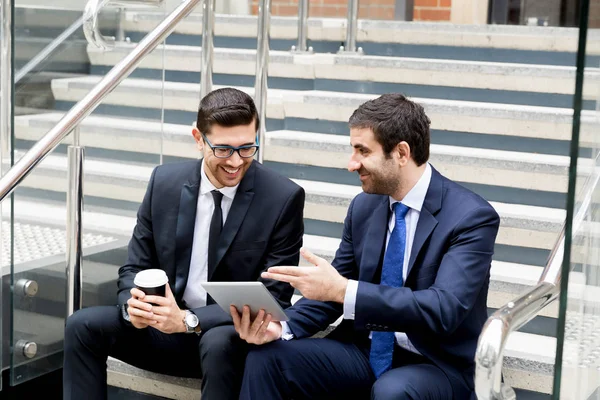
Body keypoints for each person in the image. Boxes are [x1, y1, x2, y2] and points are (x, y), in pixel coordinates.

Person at [231, 93, 500, 400]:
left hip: (437, 362)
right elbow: (332, 292)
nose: (351, 164)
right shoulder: (364, 207)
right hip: (365, 350)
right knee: (267, 359)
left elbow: (443, 309)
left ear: (401, 152)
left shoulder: (470, 216)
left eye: (362, 151)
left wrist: (344, 291)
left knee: (393, 391)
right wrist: (281, 329)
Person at [63, 87, 305, 400]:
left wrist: (190, 321)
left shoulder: (283, 197)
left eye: (247, 148)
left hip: (227, 338)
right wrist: (131, 306)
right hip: (163, 328)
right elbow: (135, 265)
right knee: (81, 325)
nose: (236, 162)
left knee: (219, 343)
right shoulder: (164, 182)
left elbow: (276, 296)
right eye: (223, 149)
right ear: (197, 138)